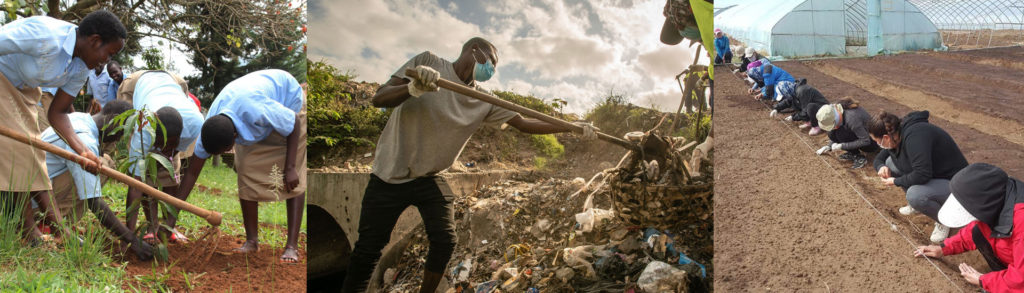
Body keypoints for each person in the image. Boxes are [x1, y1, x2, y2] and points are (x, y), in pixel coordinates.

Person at [342, 37, 599, 293]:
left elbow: (524, 123)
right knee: (368, 249)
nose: (492, 70)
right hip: (388, 176)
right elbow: (379, 98)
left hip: (429, 177)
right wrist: (412, 88)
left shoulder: (483, 99)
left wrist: (572, 128)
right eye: (492, 62)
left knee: (445, 240)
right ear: (474, 50)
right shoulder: (429, 62)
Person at [0, 11, 126, 244]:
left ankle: (40, 228)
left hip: (26, 91)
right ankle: (32, 233)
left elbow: (57, 113)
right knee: (21, 150)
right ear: (95, 40)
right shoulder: (44, 35)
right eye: (109, 53)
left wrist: (83, 151)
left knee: (34, 153)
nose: (107, 62)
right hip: (2, 78)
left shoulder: (80, 68)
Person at [177, 69, 306, 263]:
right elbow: (191, 174)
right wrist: (170, 218)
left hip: (287, 102)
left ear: (235, 138)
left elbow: (293, 123)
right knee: (245, 170)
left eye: (225, 151)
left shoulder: (255, 108)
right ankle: (252, 241)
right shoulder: (211, 128)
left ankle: (291, 246)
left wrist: (289, 168)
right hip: (255, 114)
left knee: (293, 179)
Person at [32, 100, 154, 260]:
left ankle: (54, 220)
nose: (120, 137)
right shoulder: (85, 139)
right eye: (121, 130)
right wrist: (132, 240)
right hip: (33, 200)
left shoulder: (77, 118)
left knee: (105, 161)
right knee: (101, 167)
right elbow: (94, 202)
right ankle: (50, 224)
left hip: (33, 190)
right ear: (114, 119)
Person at [116, 70, 203, 244]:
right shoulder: (144, 130)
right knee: (145, 173)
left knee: (171, 169)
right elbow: (135, 185)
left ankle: (169, 228)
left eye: (171, 145)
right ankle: (152, 226)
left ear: (180, 136)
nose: (165, 151)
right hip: (136, 84)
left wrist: (168, 152)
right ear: (154, 137)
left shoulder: (195, 124)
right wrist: (129, 236)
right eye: (160, 145)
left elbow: (173, 160)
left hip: (173, 81)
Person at [915, 163, 1024, 291]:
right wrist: (943, 249)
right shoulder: (998, 196)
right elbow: (973, 230)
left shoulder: (1020, 223)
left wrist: (984, 281)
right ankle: (1003, 279)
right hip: (1015, 263)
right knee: (978, 232)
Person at [869, 110, 968, 243]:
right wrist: (881, 167)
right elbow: (879, 159)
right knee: (889, 163)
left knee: (915, 195)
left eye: (877, 141)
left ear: (886, 137)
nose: (878, 145)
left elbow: (922, 174)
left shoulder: (915, 137)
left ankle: (944, 221)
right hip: (935, 175)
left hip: (956, 183)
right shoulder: (896, 136)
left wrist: (896, 181)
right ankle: (915, 206)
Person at [814, 98, 878, 169]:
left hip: (872, 142)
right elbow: (834, 133)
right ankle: (853, 152)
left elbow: (866, 140)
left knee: (841, 134)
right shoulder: (836, 111)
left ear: (835, 119)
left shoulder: (852, 119)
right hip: (860, 135)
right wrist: (829, 146)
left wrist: (842, 146)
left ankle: (859, 157)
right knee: (832, 133)